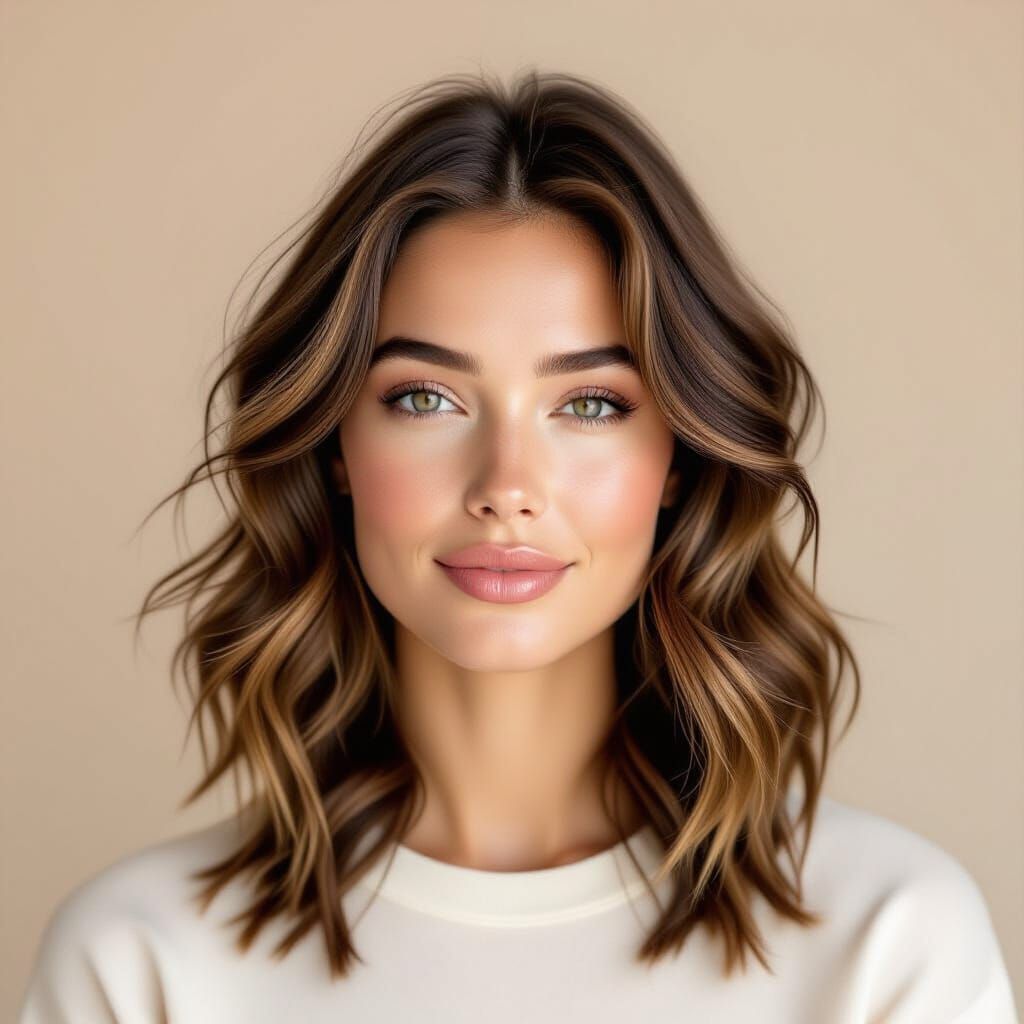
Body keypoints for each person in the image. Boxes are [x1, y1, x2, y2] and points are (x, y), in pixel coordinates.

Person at [18, 69, 1019, 1023]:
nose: (506, 487)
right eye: (425, 397)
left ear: (677, 455)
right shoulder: (142, 961)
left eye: (589, 403)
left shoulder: (885, 945)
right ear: (332, 445)